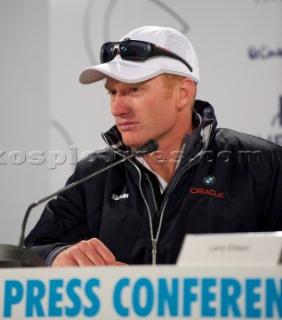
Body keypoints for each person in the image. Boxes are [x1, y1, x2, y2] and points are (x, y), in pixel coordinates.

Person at [25, 26, 282, 267]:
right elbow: (32, 250)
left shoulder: (263, 165)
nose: (117, 108)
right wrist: (57, 256)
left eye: (134, 89)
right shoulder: (94, 174)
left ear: (182, 93)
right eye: (112, 92)